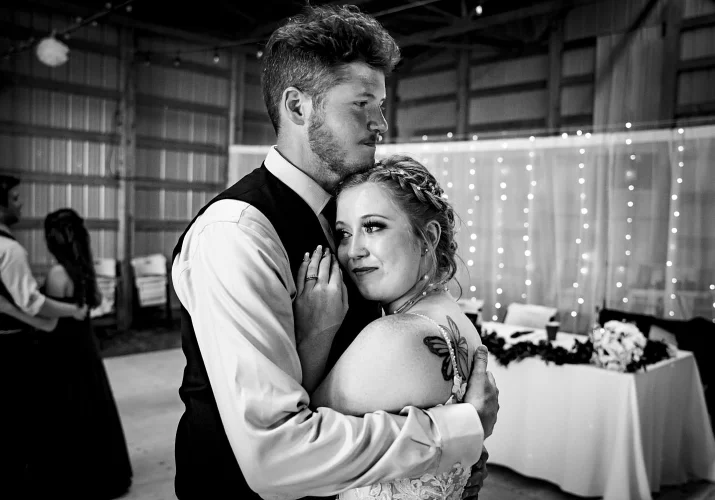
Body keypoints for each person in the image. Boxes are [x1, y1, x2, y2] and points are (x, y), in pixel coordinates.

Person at [171, 5, 498, 500]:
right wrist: (455, 433)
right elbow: (277, 457)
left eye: (382, 106)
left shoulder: (350, 206)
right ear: (298, 107)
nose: (381, 124)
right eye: (362, 105)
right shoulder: (237, 234)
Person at [293, 155, 490, 499]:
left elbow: (295, 446)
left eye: (373, 226)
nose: (352, 251)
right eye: (343, 233)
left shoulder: (399, 337)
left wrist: (315, 332)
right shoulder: (453, 317)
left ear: (427, 235)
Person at [14, 208, 133, 499]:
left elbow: (47, 309)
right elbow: (97, 300)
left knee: (66, 408)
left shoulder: (58, 272)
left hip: (62, 345)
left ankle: (72, 474)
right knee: (91, 404)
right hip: (85, 345)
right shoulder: (84, 267)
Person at [0, 175, 89, 496]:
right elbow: (32, 302)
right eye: (15, 197)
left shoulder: (55, 272)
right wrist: (72, 312)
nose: (21, 202)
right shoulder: (11, 250)